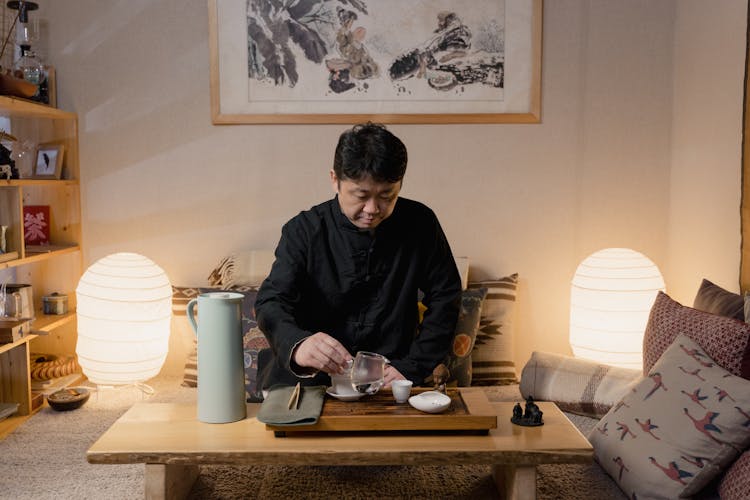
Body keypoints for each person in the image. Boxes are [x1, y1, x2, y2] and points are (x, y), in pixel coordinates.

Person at [255, 122, 461, 391]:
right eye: (360, 195)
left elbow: (447, 296)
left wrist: (412, 366)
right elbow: (271, 300)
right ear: (334, 180)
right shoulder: (303, 230)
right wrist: (299, 344)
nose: (372, 209)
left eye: (387, 195)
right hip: (311, 381)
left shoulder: (420, 224)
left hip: (391, 378)